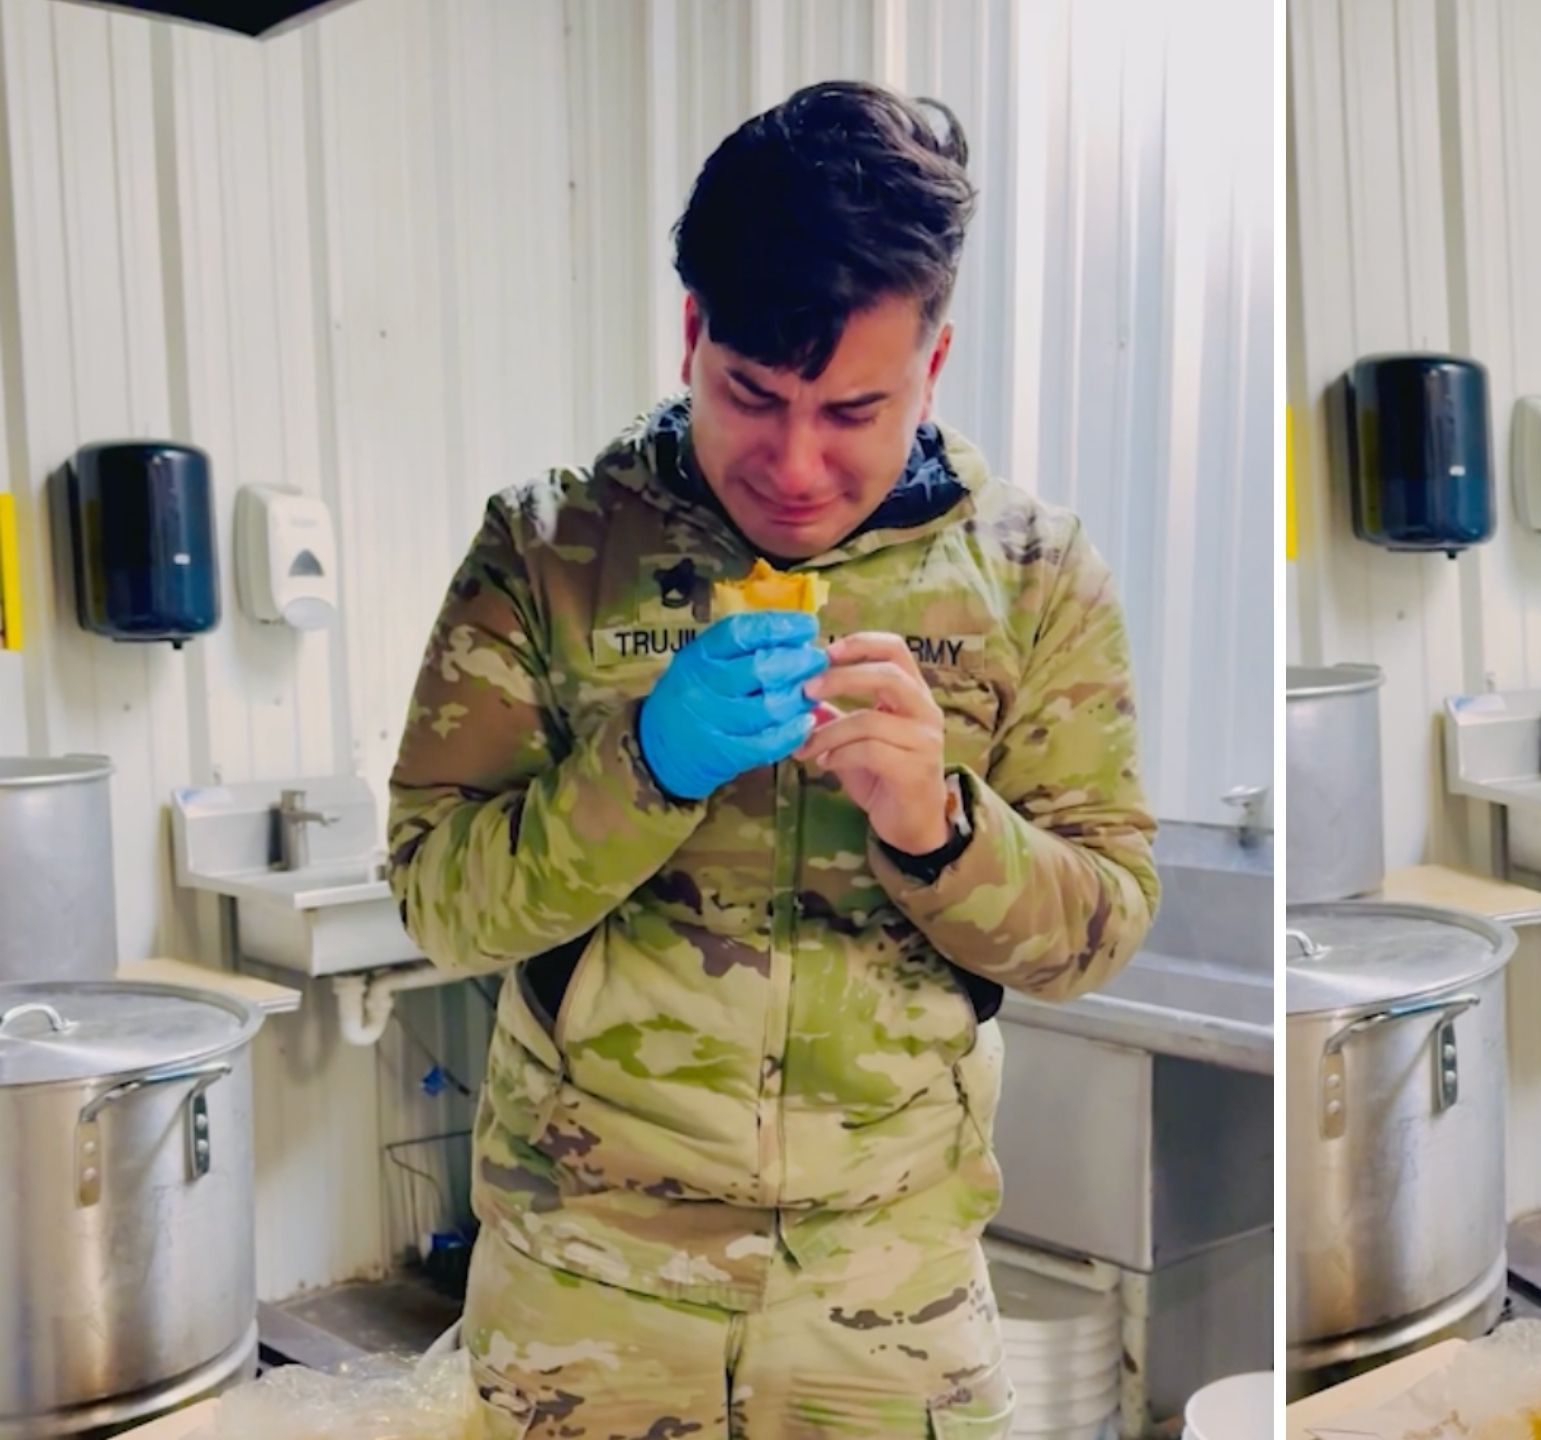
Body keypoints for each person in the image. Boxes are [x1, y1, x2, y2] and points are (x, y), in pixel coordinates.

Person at [387, 80, 1158, 1439]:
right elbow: (437, 902)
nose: (797, 464)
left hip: (889, 1305)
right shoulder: (551, 550)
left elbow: (1099, 931)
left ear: (935, 360)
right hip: (586, 1294)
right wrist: (643, 769)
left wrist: (941, 828)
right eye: (753, 396)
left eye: (854, 410)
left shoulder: (1035, 578)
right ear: (694, 332)